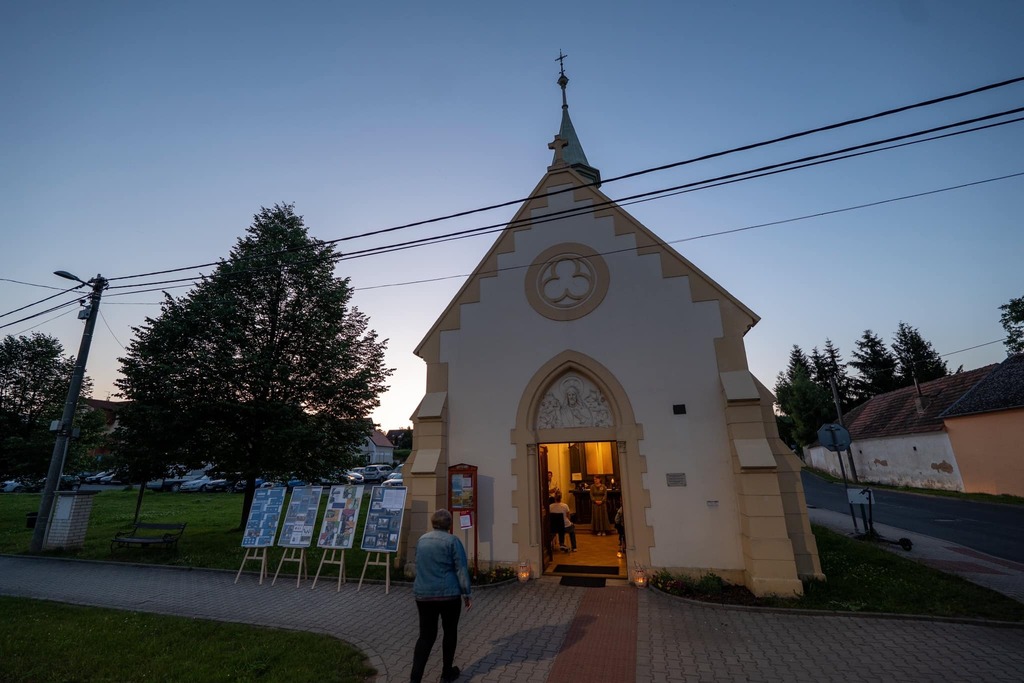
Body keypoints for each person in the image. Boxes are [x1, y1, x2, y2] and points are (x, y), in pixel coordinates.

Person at [410, 509, 473, 683]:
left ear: (432, 523)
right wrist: (466, 593)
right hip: (449, 595)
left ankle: (415, 678)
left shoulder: (422, 540)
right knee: (450, 632)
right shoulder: (453, 541)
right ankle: (446, 673)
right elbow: (461, 568)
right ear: (449, 525)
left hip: (423, 595)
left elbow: (418, 564)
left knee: (426, 636)